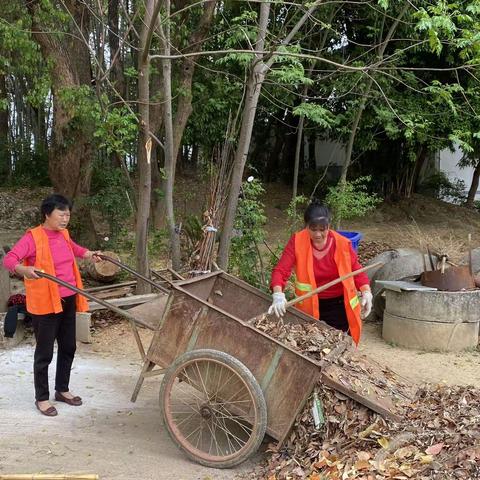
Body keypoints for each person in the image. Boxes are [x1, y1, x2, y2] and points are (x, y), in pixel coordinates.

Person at [3, 194, 101, 417]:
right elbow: (9, 259)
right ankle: (42, 398)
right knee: (44, 352)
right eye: (61, 214)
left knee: (68, 347)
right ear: (47, 214)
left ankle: (62, 389)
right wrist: (24, 270)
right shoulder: (32, 237)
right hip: (45, 304)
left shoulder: (63, 234)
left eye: (68, 214)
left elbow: (74, 248)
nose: (66, 218)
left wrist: (89, 254)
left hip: (68, 299)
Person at [268, 201, 372, 345]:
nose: (318, 234)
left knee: (337, 346)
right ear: (306, 226)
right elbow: (281, 270)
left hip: (338, 306)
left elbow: (357, 270)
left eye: (322, 229)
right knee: (308, 346)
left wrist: (366, 291)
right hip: (309, 307)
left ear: (329, 226)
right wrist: (278, 294)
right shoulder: (297, 241)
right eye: (313, 229)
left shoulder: (342, 244)